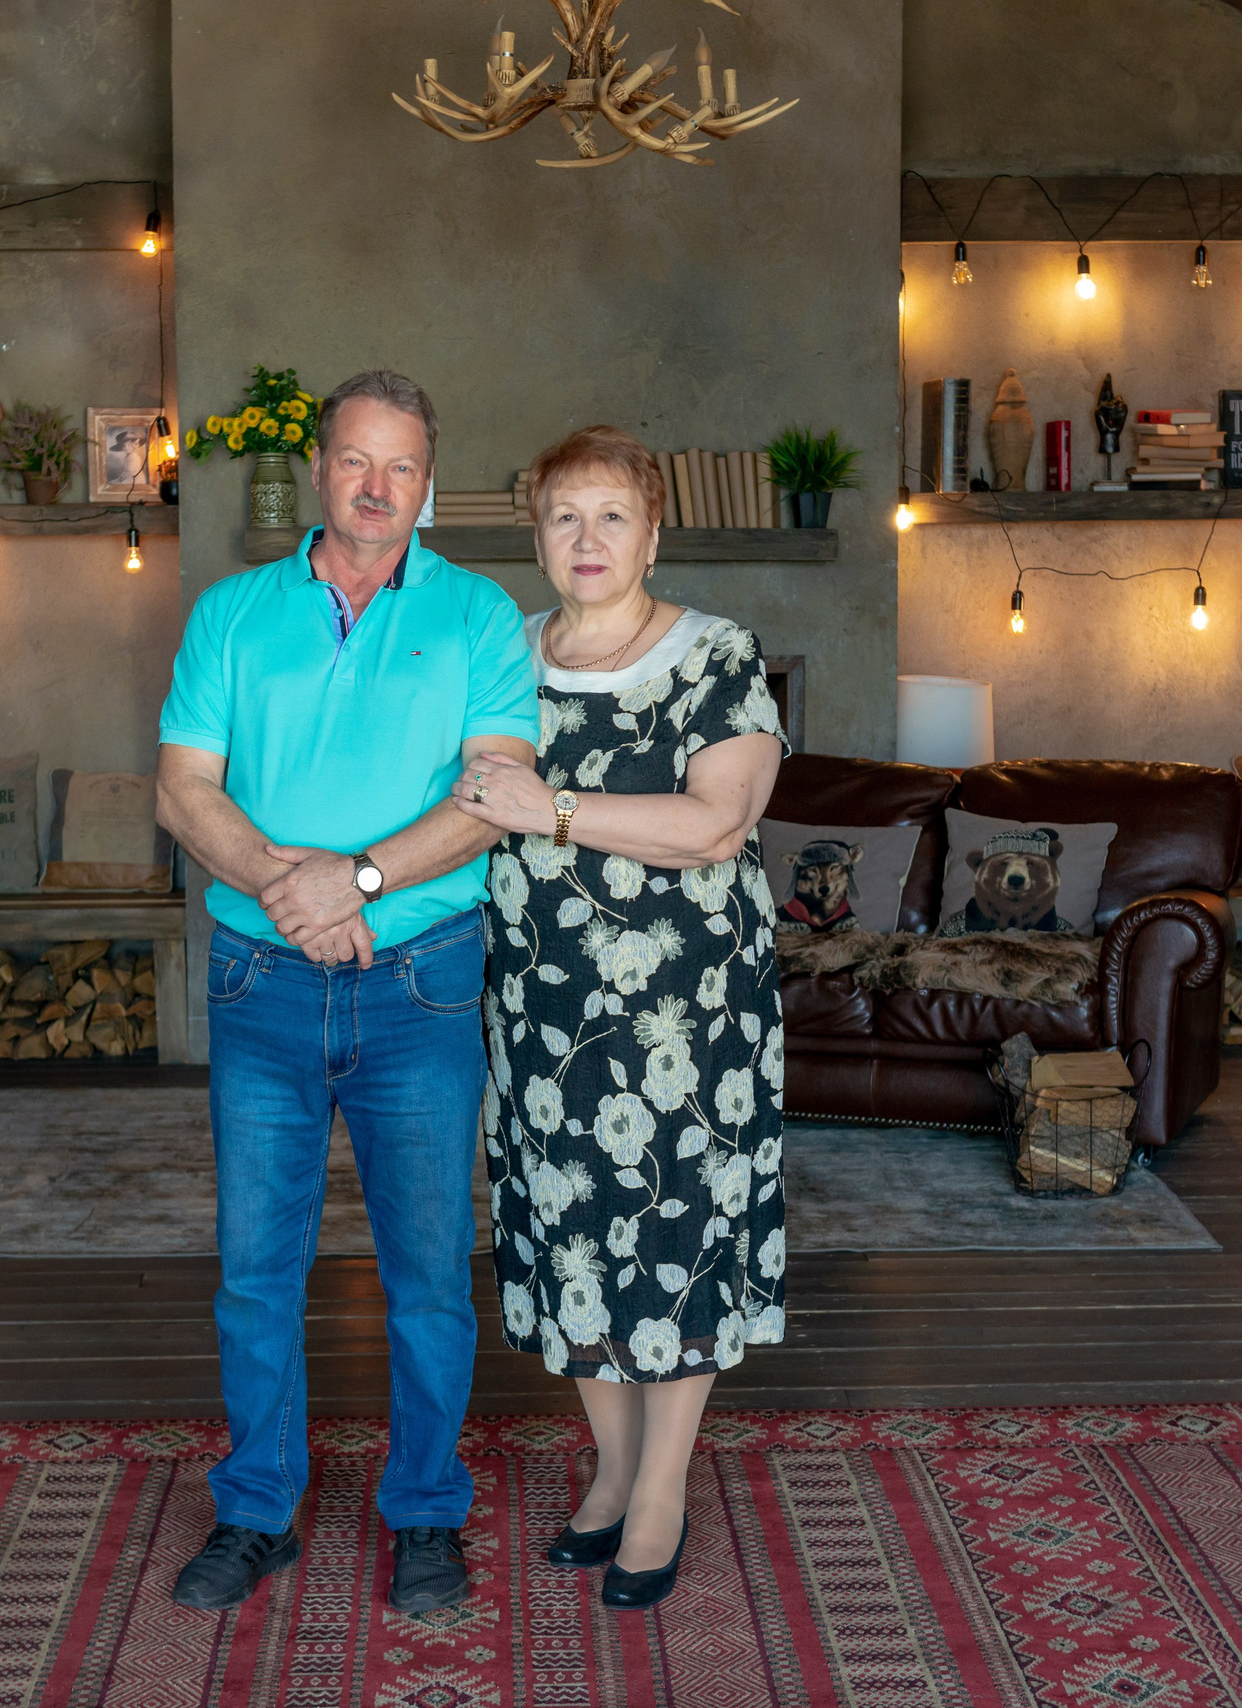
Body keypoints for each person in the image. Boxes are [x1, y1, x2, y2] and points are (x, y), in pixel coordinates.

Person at [155, 370, 540, 1615]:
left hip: (420, 984)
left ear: (429, 486)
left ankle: (425, 1511)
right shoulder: (231, 613)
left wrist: (357, 880)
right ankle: (255, 1508)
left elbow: (493, 794)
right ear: (319, 469)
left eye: (402, 468)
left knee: (427, 1273)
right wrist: (292, 890)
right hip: (260, 976)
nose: (378, 489)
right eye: (357, 462)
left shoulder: (480, 616)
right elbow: (183, 788)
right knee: (254, 1269)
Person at [452, 424, 788, 1610]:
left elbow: (714, 824)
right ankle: (609, 1465)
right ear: (536, 536)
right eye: (563, 517)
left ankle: (661, 1490)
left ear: (652, 535)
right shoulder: (501, 657)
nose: (586, 539)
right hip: (542, 1005)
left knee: (677, 1226)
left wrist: (548, 808)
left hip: (687, 1012)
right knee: (572, 1229)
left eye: (611, 517)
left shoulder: (714, 655)